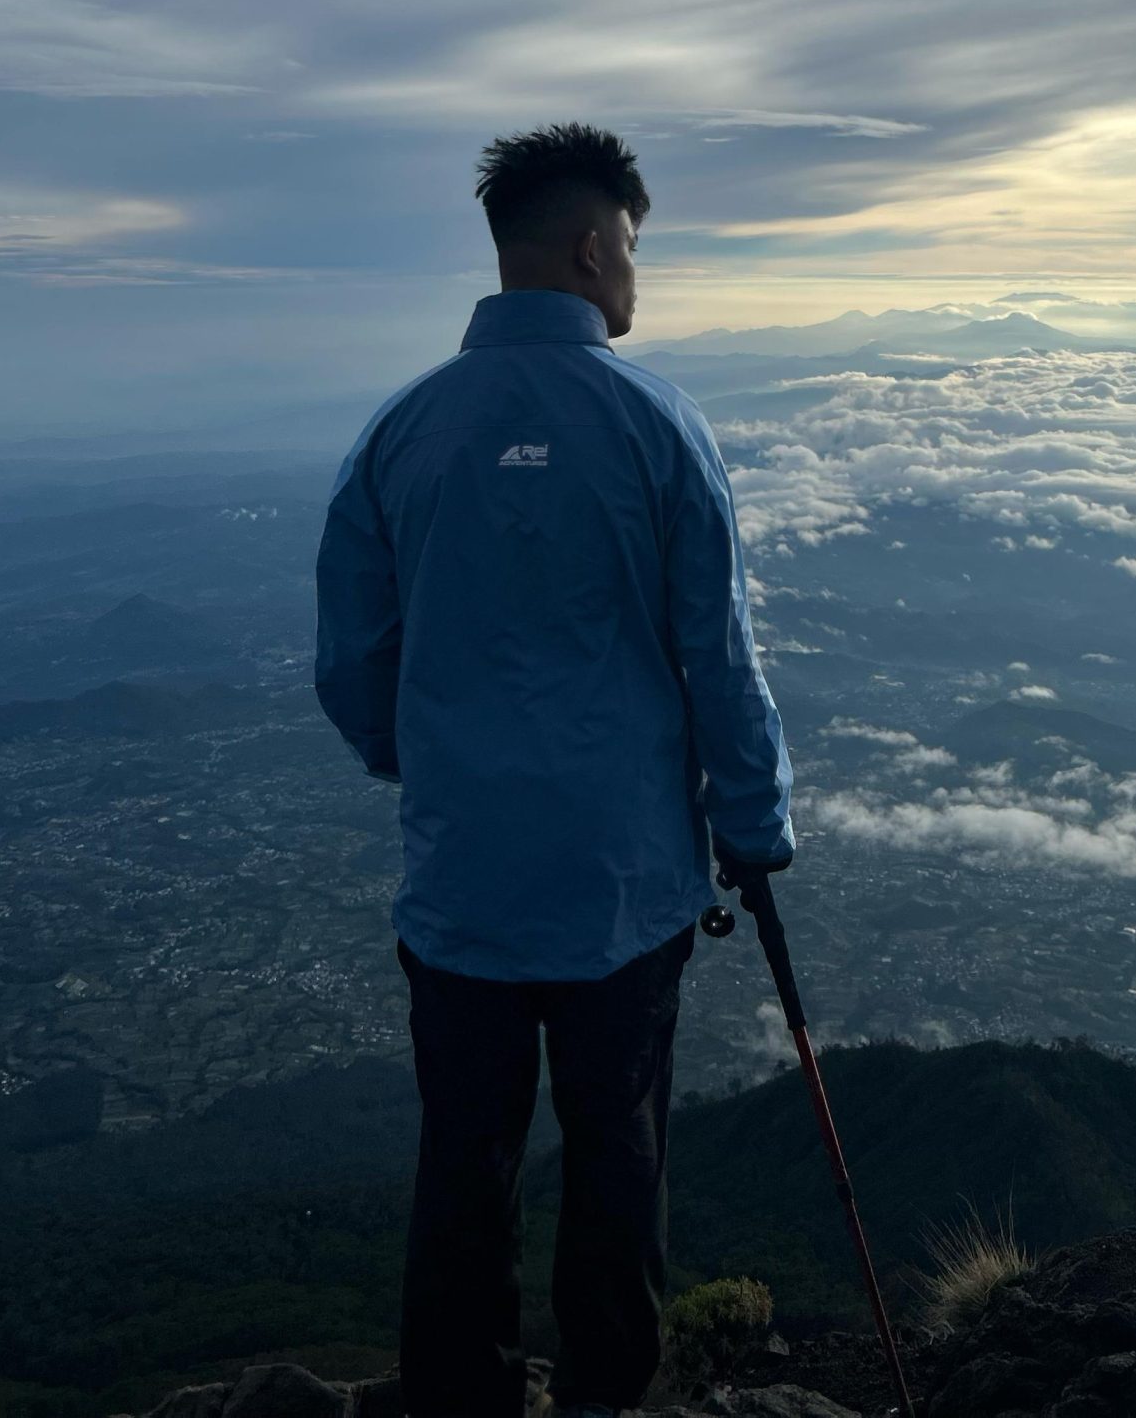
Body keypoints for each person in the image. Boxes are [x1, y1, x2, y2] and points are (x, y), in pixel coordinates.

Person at [315, 121, 793, 1418]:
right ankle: (602, 1399)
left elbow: (354, 667)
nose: (637, 269)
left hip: (463, 884)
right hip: (621, 889)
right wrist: (755, 828)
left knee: (461, 1167)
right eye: (633, 243)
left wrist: (435, 763)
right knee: (616, 1163)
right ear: (592, 246)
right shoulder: (659, 426)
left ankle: (457, 1397)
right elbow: (719, 659)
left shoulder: (403, 432)